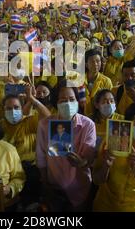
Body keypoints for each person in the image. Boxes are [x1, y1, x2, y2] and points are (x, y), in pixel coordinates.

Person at [36, 79, 96, 211]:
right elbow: (41, 156)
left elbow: (90, 154)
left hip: (80, 188)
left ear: (77, 101)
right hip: (54, 186)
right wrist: (45, 182)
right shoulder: (44, 125)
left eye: (71, 99)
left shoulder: (88, 125)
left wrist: (82, 162)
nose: (68, 103)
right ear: (56, 103)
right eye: (63, 100)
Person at [83, 49, 113, 116]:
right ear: (86, 64)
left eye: (98, 61)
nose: (95, 64)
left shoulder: (106, 81)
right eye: (92, 61)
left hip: (100, 117)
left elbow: (110, 101)